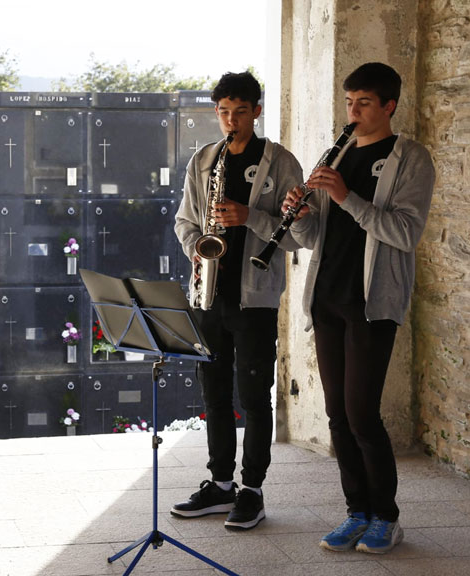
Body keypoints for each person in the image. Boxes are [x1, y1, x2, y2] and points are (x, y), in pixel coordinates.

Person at [281, 62, 435, 553]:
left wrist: (345, 197)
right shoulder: (338, 154)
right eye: (349, 102)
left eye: (363, 103)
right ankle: (356, 511)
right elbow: (311, 238)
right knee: (336, 415)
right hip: (327, 297)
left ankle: (386, 517)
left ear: (389, 106)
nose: (353, 112)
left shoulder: (410, 158)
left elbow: (405, 233)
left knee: (361, 413)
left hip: (372, 303)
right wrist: (299, 214)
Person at [171, 71, 304, 531]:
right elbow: (184, 220)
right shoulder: (204, 160)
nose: (231, 121)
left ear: (257, 111)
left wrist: (250, 217)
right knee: (213, 390)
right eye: (224, 112)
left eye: (241, 112)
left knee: (253, 395)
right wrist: (195, 247)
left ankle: (252, 490)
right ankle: (220, 484)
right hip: (209, 293)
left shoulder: (281, 161)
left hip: (255, 300)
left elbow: (301, 235)